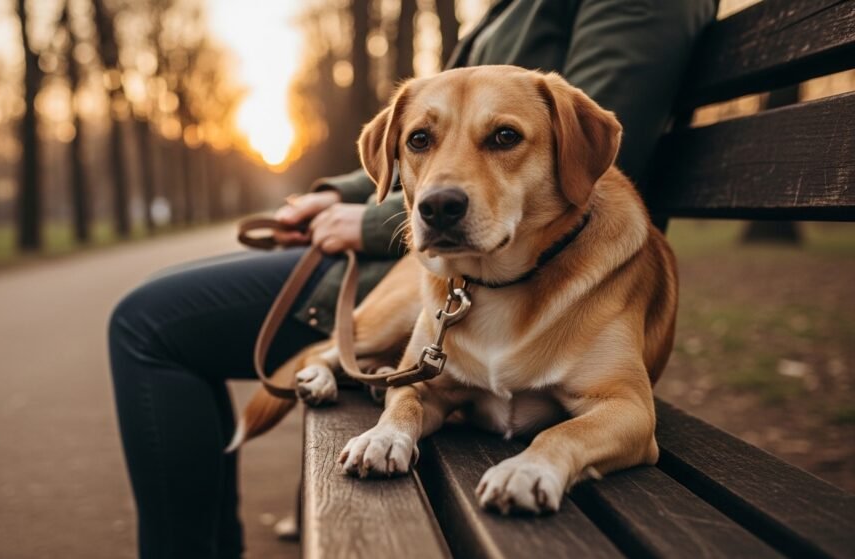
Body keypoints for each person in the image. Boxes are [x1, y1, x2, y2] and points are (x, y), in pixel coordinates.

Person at [107, 1, 718, 556]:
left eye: (502, 138)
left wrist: (367, 223)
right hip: (452, 272)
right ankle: (328, 361)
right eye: (421, 142)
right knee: (149, 308)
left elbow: (596, 152)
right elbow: (413, 161)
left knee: (149, 322)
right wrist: (330, 199)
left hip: (556, 260)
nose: (438, 194)